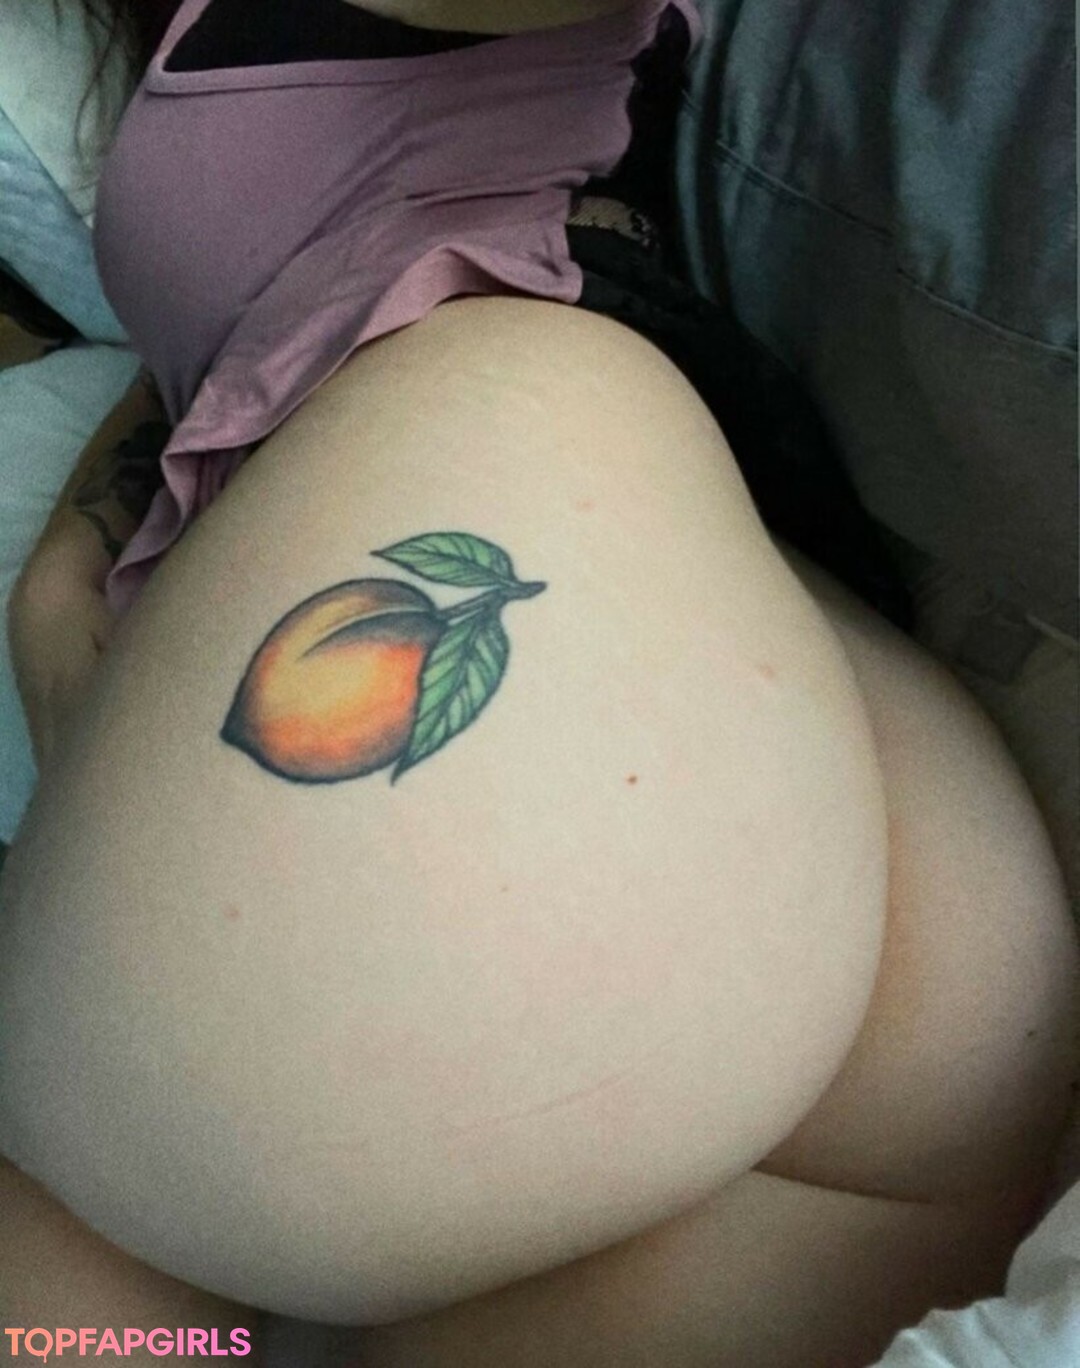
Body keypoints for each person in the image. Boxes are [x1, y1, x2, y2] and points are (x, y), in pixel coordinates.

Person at [0, 1, 1076, 1364]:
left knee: (114, 1260)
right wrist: (74, 553)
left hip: (552, 562)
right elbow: (233, 319)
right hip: (884, 913)